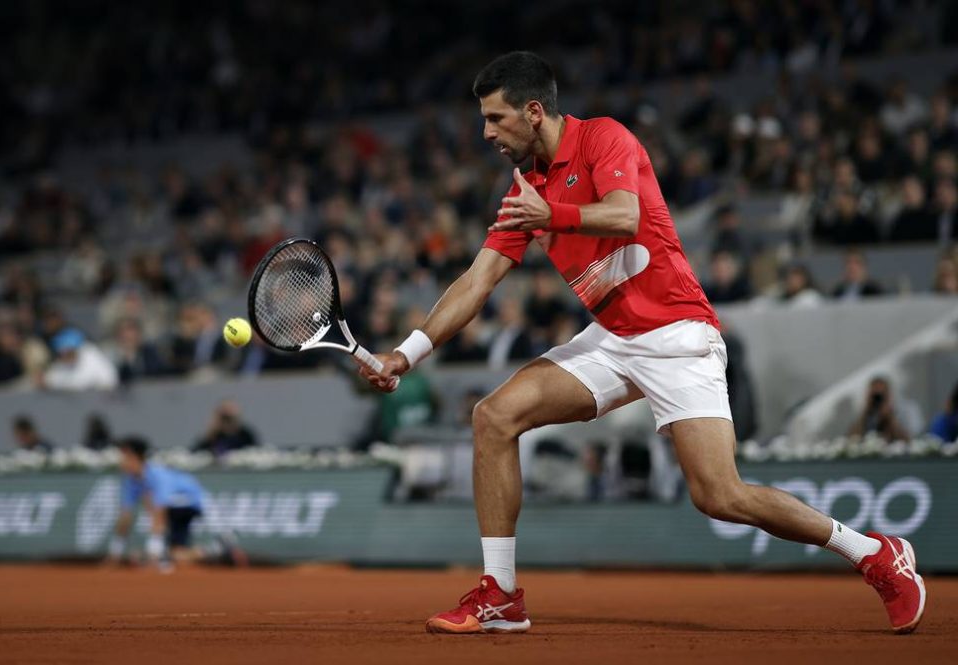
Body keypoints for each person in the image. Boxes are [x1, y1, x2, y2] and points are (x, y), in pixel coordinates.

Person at [357, 51, 925, 635]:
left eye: (496, 119)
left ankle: (875, 554)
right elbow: (478, 280)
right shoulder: (527, 188)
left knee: (720, 495)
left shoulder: (604, 139)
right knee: (494, 417)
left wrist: (548, 213)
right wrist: (408, 352)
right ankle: (500, 594)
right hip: (612, 338)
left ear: (533, 112)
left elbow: (624, 216)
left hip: (678, 332)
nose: (487, 132)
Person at [108, 436, 246, 569]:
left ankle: (160, 556)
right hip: (175, 510)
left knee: (160, 550)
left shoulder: (159, 476)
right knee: (177, 555)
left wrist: (153, 550)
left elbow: (159, 513)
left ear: (135, 458)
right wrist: (115, 553)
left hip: (193, 502)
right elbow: (126, 516)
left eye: (124, 457)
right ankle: (215, 551)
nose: (121, 461)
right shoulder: (131, 481)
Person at [847, 376, 923, 443]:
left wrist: (890, 417)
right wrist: (865, 412)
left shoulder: (905, 410)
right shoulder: (865, 414)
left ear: (889, 394)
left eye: (881, 394)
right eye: (875, 395)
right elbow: (851, 439)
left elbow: (910, 440)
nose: (878, 399)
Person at [42, 328, 119, 391]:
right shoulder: (59, 364)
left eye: (69, 353)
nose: (65, 357)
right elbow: (50, 381)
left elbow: (109, 381)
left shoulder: (92, 355)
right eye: (62, 354)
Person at [193, 400, 258, 457]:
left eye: (230, 418)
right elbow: (194, 453)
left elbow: (257, 453)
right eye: (224, 418)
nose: (227, 422)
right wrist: (211, 434)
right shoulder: (214, 435)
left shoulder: (245, 435)